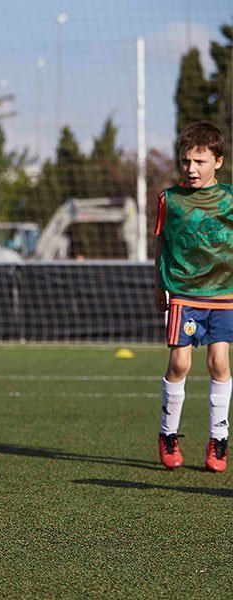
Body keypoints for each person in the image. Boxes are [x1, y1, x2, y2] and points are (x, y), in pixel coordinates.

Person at [154, 120, 233, 472]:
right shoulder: (170, 199)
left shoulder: (230, 199)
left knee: (219, 362)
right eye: (187, 161)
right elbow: (162, 242)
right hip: (184, 292)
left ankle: (218, 441)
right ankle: (168, 434)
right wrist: (160, 284)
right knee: (180, 364)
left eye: (200, 161)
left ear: (217, 161)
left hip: (224, 293)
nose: (192, 168)